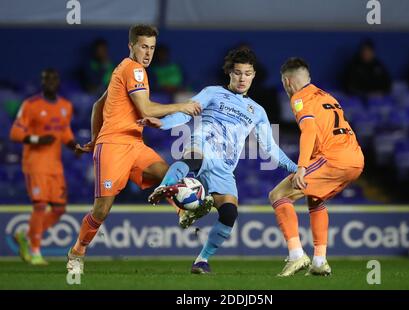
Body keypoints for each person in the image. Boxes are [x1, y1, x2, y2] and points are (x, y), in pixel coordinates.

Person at [146, 47, 297, 274]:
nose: (242, 78)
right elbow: (187, 111)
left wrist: (296, 168)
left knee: (229, 214)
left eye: (247, 73)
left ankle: (201, 261)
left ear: (254, 75)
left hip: (224, 168)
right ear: (230, 73)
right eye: (237, 72)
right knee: (193, 159)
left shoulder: (257, 111)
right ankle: (165, 187)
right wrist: (164, 123)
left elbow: (270, 148)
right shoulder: (212, 92)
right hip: (203, 146)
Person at [66, 24, 201, 274]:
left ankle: (182, 212)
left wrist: (94, 138)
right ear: (131, 46)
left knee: (169, 174)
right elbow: (146, 110)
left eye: (152, 47)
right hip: (114, 147)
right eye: (143, 47)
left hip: (134, 144)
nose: (148, 53)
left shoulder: (123, 69)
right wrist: (182, 105)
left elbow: (98, 106)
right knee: (102, 210)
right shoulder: (134, 69)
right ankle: (77, 251)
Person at [269, 58, 364, 276]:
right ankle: (319, 261)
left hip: (334, 158)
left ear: (287, 81)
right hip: (355, 159)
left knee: (277, 195)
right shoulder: (327, 96)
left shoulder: (299, 99)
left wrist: (302, 167)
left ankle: (296, 255)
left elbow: (310, 131)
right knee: (315, 199)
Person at [9, 68, 85, 265]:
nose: (50, 82)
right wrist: (37, 139)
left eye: (53, 78)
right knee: (40, 205)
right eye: (46, 79)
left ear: (58, 82)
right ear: (42, 82)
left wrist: (73, 146)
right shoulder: (30, 105)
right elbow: (15, 133)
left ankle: (26, 235)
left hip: (55, 165)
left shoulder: (65, 106)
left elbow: (65, 132)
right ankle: (35, 251)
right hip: (35, 163)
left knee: (59, 209)